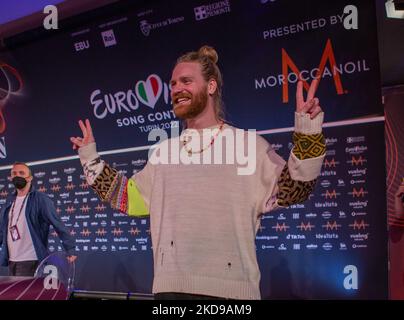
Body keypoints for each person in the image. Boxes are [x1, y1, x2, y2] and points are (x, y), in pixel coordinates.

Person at [70, 45, 325, 299]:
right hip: (171, 292)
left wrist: (309, 132)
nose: (176, 89)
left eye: (186, 81)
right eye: (172, 83)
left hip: (232, 294)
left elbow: (295, 190)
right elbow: (129, 197)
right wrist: (90, 158)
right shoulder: (164, 152)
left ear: (211, 86)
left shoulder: (248, 145)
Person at [0, 162, 77, 277]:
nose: (17, 176)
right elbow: (2, 230)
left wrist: (70, 248)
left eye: (21, 173)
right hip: (11, 260)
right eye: (14, 173)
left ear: (30, 178)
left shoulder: (41, 200)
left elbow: (58, 224)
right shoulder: (9, 201)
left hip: (31, 260)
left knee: (26, 295)